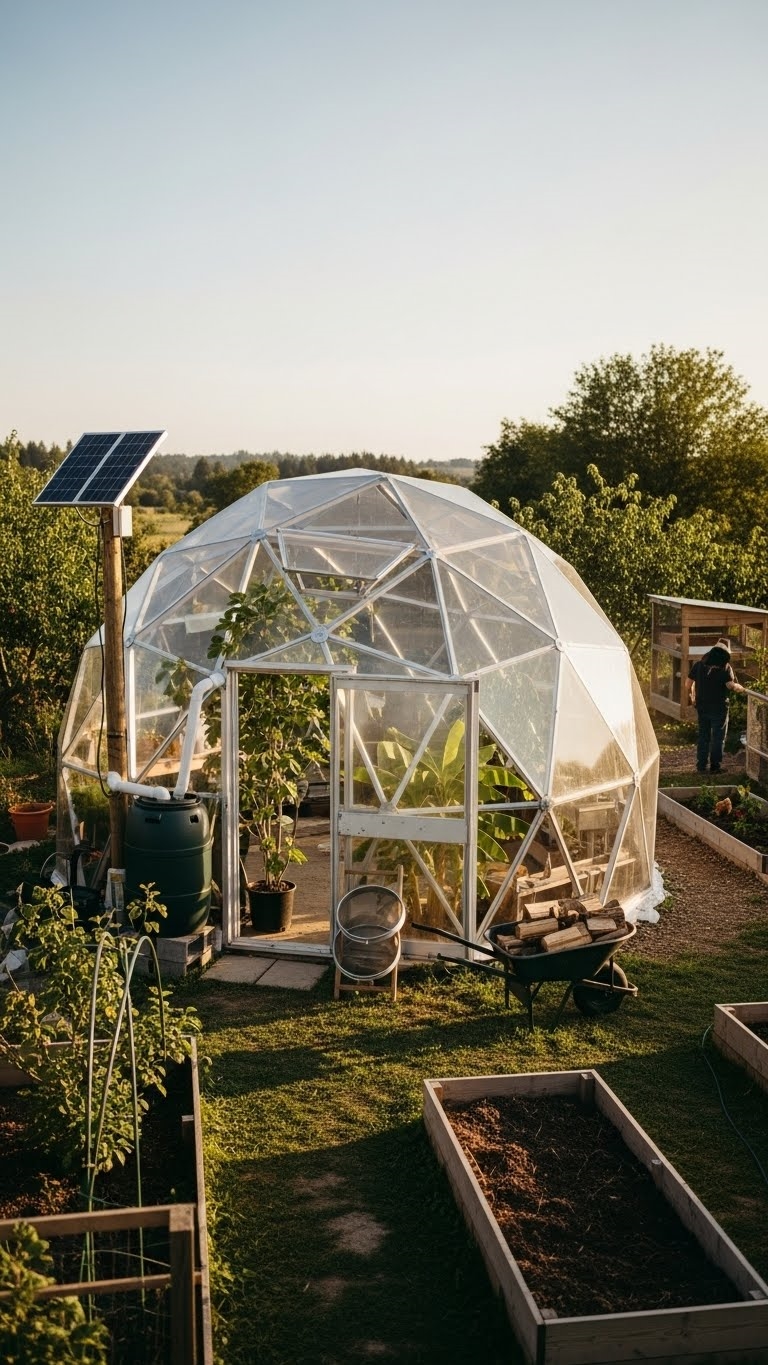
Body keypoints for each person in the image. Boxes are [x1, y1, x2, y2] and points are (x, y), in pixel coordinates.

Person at [685, 637, 746, 774]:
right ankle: (715, 766)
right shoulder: (726, 668)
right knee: (718, 737)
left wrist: (693, 695)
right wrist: (741, 688)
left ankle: (701, 766)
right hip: (719, 708)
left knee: (703, 736)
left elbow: (687, 684)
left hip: (702, 706)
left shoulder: (699, 665)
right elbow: (730, 686)